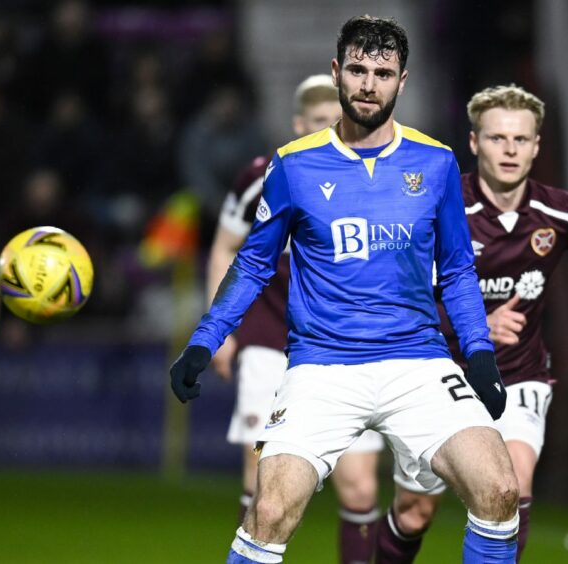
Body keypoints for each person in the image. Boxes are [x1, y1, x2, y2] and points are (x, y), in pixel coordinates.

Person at [171, 15, 521, 563]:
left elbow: (454, 270)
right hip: (322, 369)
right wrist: (204, 340)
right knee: (268, 512)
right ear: (337, 73)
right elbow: (254, 264)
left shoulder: (436, 163)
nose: (367, 84)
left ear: (402, 81)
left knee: (499, 489)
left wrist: (478, 354)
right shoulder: (294, 164)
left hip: (419, 364)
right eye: (357, 69)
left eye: (382, 73)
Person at [373, 84, 568, 563]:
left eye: (520, 140)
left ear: (536, 147)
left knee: (512, 484)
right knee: (414, 513)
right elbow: (398, 298)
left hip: (519, 374)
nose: (509, 150)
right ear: (473, 143)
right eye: (497, 138)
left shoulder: (559, 213)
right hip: (434, 375)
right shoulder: (439, 210)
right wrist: (476, 325)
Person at [208, 74, 385, 563]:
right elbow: (224, 248)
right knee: (261, 478)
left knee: (360, 487)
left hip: (346, 348)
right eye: (319, 123)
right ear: (296, 124)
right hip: (269, 340)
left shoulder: (371, 177)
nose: (330, 130)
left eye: (338, 121)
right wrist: (220, 330)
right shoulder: (263, 176)